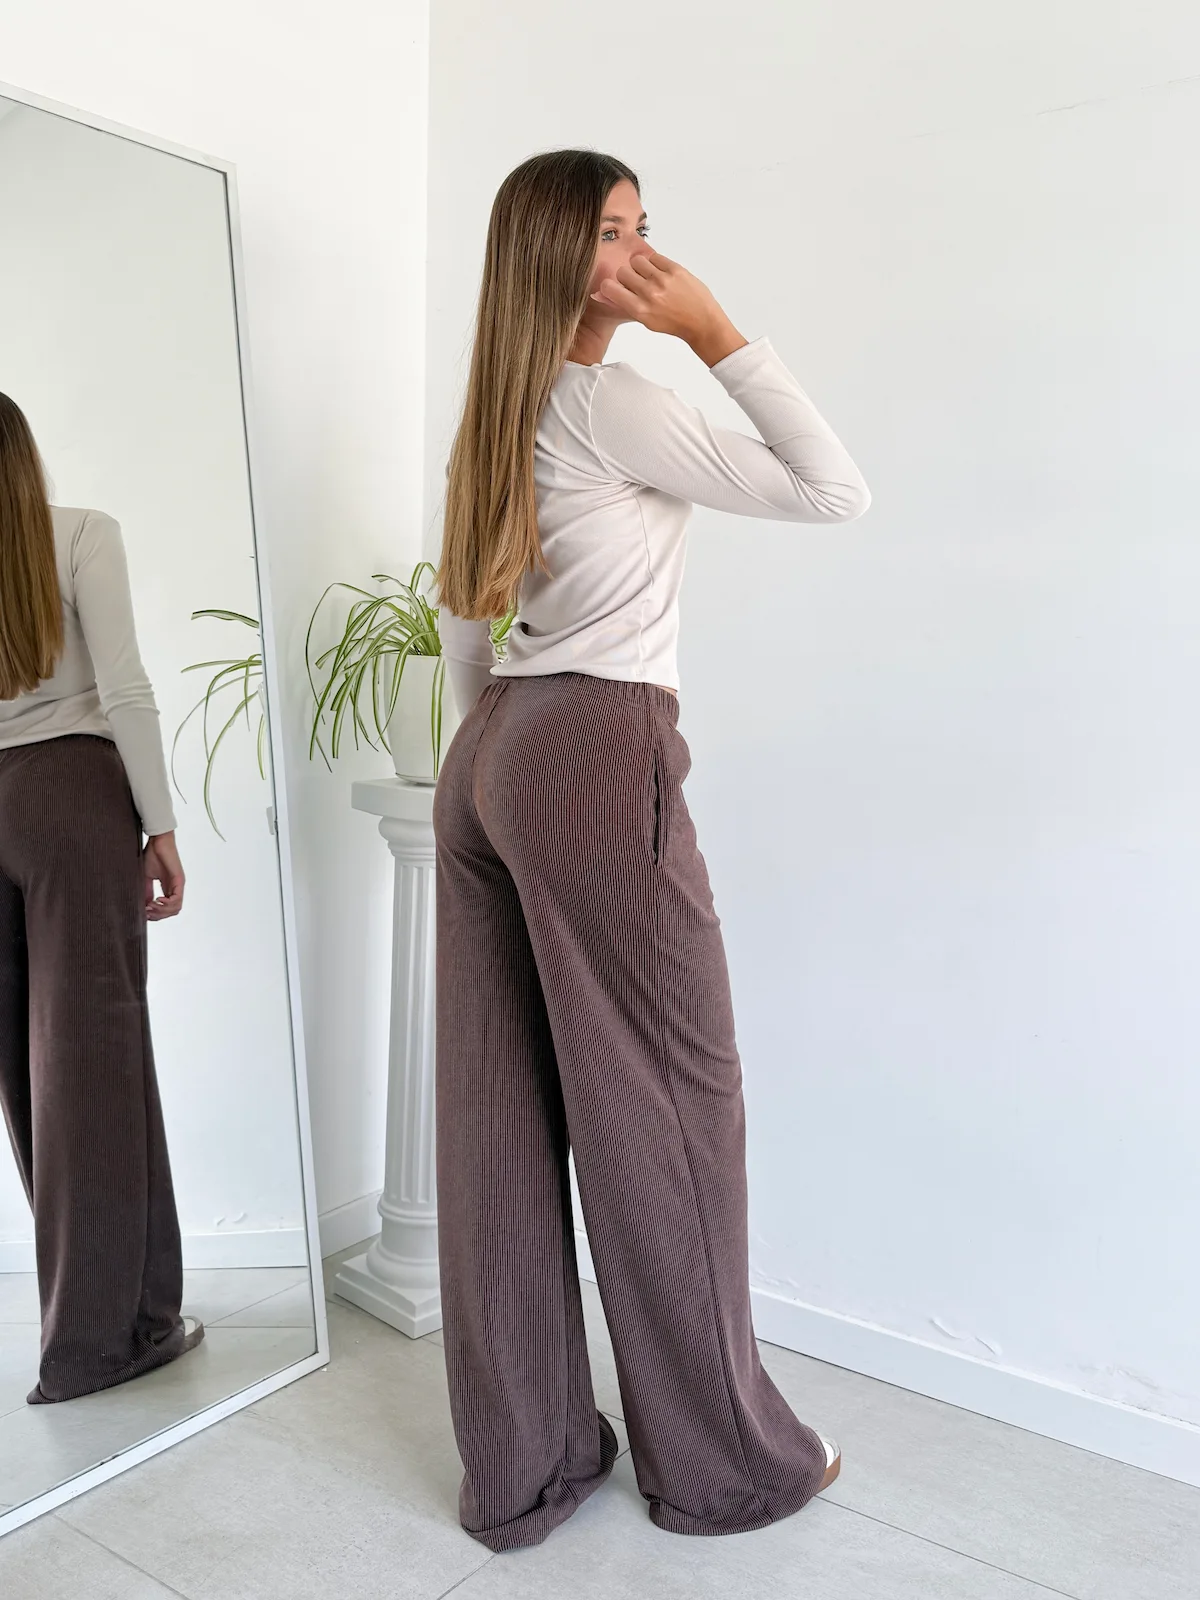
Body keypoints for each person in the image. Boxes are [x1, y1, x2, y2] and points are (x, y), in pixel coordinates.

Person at [430, 149, 871, 1553]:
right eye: (611, 236)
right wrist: (717, 332)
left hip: (492, 753)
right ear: (556, 259)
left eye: (642, 231)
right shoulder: (613, 400)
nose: (639, 258)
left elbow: (462, 616)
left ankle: (526, 1465)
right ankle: (724, 1462)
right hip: (596, 744)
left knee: (500, 1112)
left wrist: (494, 751)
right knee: (678, 1100)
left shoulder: (497, 410)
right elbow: (832, 490)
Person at [0, 392, 203, 1404]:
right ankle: (92, 1344)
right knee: (94, 1062)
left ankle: (139, 1311)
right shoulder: (79, 533)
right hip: (71, 798)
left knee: (27, 1069)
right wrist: (158, 825)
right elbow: (123, 686)